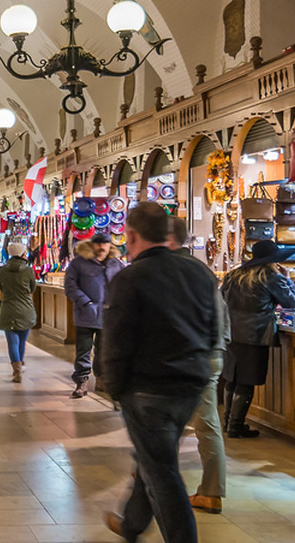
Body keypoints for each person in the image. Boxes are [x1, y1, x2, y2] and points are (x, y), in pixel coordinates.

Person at [100, 202, 216, 543]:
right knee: (152, 458)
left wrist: (115, 387)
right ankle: (132, 525)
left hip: (147, 389)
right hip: (190, 384)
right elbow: (211, 329)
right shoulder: (198, 273)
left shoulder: (130, 277)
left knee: (161, 472)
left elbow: (117, 340)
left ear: (131, 235)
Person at [168, 217, 231, 514]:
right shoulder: (202, 270)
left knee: (171, 422)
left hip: (190, 356)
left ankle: (153, 482)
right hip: (210, 351)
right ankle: (210, 490)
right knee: (204, 424)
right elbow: (222, 314)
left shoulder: (172, 272)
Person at [221, 239, 295, 439]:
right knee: (246, 381)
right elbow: (292, 301)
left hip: (231, 333)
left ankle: (228, 422)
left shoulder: (234, 276)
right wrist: (288, 277)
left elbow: (220, 299)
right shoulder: (270, 277)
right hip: (255, 335)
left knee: (232, 379)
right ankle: (235, 426)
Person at [64, 232, 124, 399]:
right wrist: (86, 302)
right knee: (83, 350)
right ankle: (81, 381)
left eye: (104, 245)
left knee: (103, 351)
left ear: (109, 246)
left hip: (108, 316)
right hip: (85, 315)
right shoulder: (78, 263)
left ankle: (101, 380)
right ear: (92, 245)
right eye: (98, 244)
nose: (101, 248)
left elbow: (123, 285)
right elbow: (70, 286)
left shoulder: (116, 264)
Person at [0, 240, 36, 383]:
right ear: (24, 253)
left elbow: (0, 286)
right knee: (22, 341)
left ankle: (16, 369)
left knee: (12, 342)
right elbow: (32, 288)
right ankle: (20, 363)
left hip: (8, 309)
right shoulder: (29, 270)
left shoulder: (2, 271)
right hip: (26, 309)